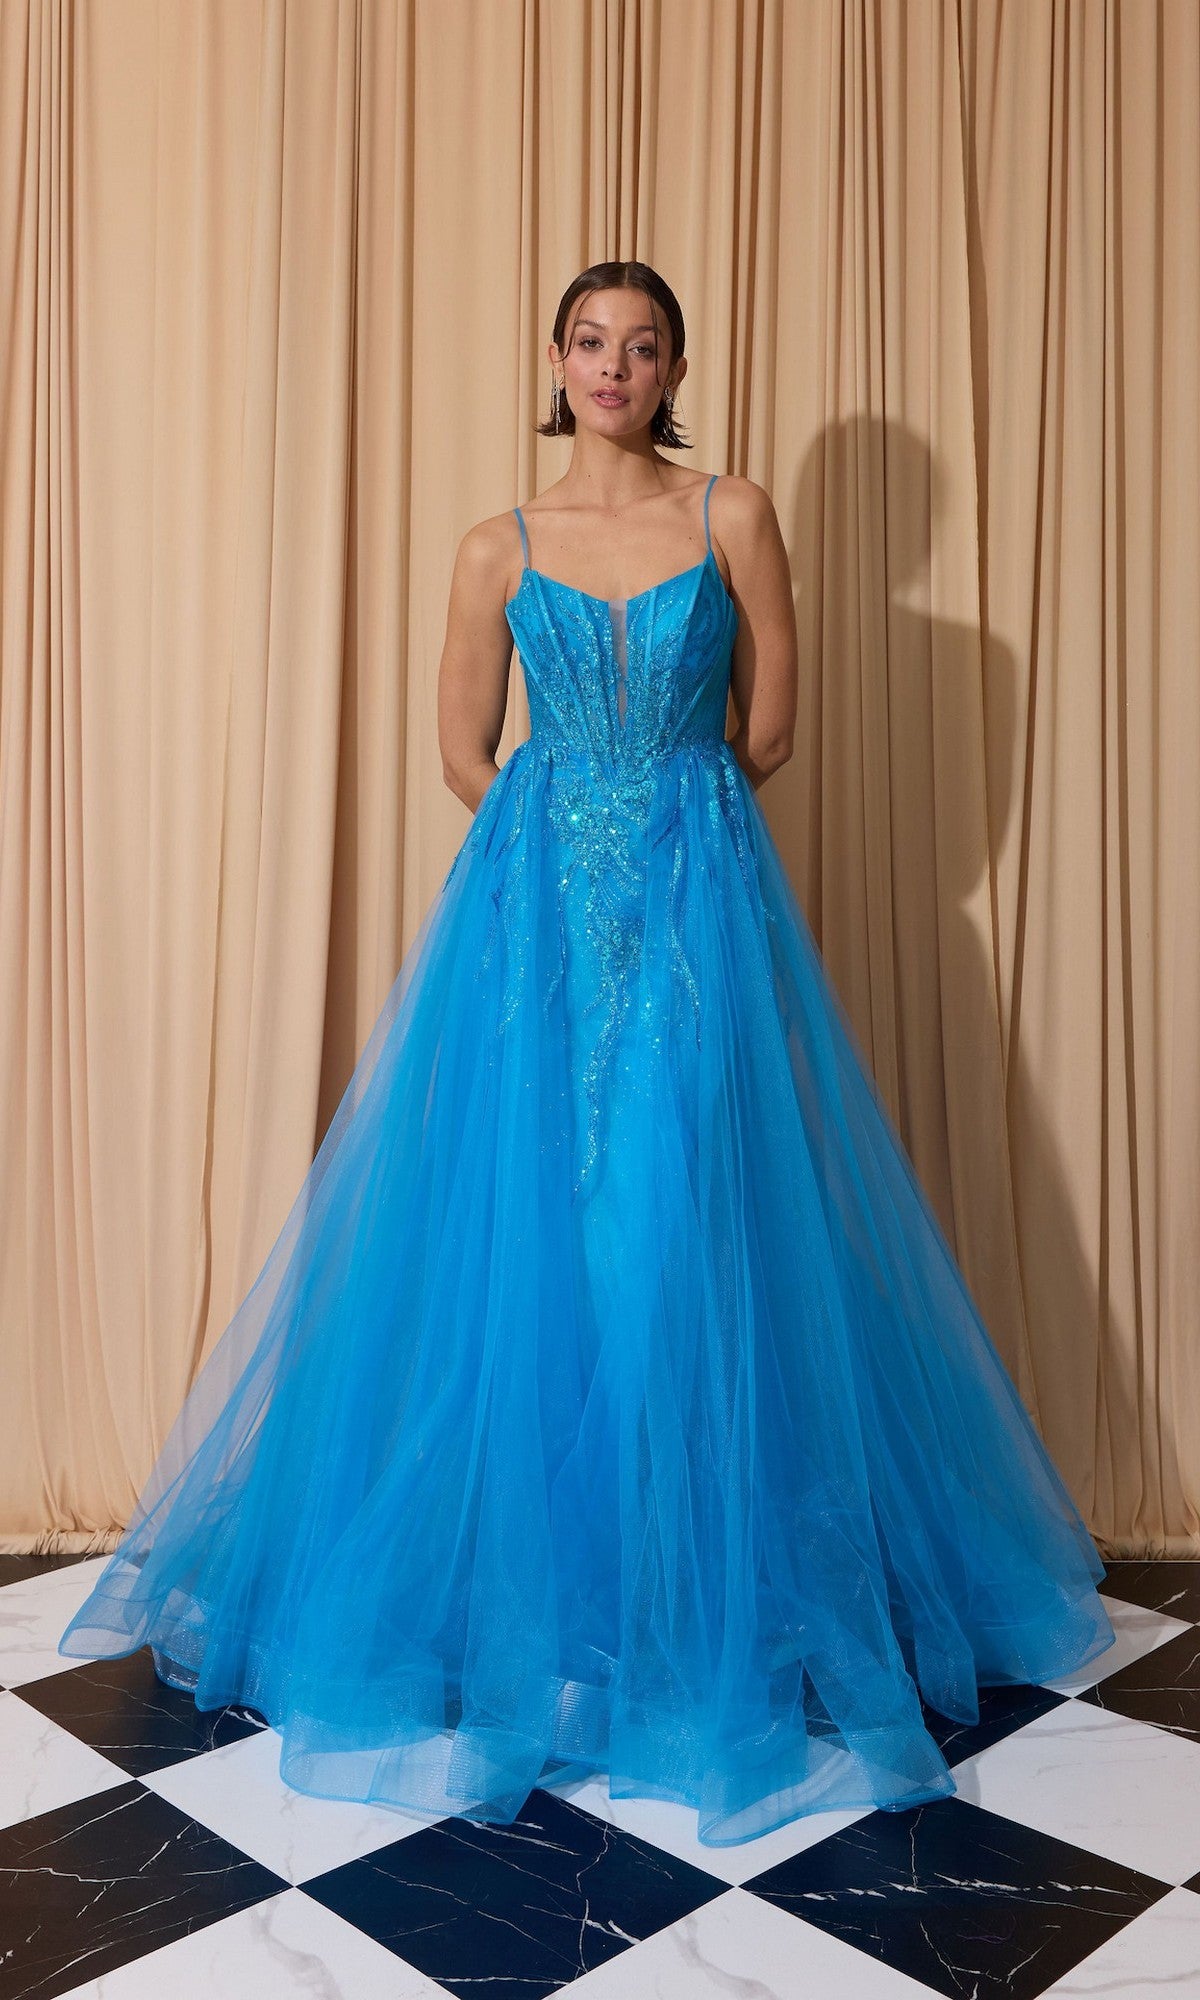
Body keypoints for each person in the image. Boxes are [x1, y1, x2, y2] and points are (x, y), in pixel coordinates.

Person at [60, 259, 1115, 1849]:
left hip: (702, 915)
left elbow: (771, 732)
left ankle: (689, 1593)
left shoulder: (734, 514)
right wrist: (571, 833)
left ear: (675, 365)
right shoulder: (499, 543)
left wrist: (657, 812)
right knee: (525, 1232)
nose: (613, 365)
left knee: (679, 1231)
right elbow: (460, 749)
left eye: (643, 345)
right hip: (538, 921)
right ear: (556, 359)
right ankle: (550, 1593)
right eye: (589, 341)